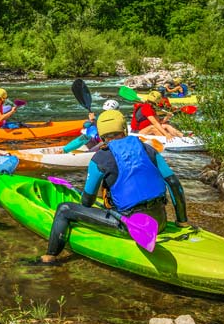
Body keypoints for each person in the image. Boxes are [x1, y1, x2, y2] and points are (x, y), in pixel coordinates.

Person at [39, 110, 190, 264]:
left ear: (102, 134)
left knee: (64, 209)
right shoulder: (148, 149)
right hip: (160, 222)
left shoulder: (100, 158)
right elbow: (174, 184)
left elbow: (87, 202)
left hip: (128, 226)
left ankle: (49, 257)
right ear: (124, 129)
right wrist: (181, 220)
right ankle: (182, 222)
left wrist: (91, 199)